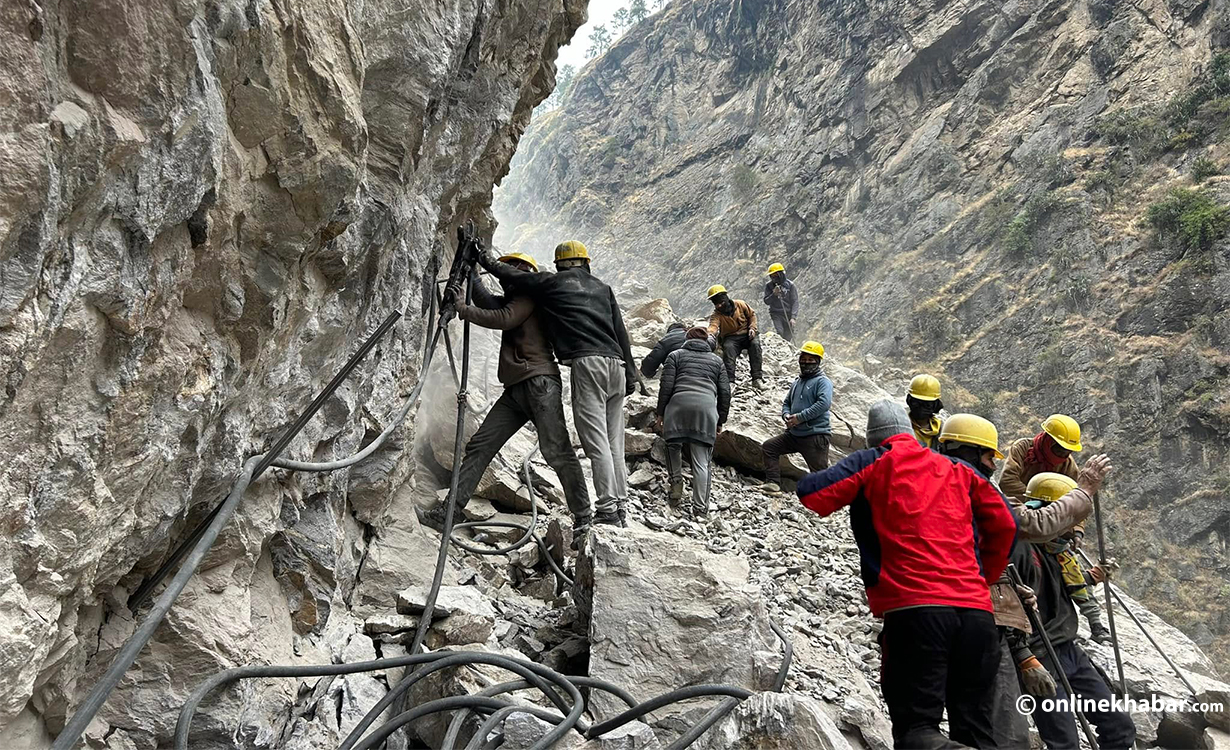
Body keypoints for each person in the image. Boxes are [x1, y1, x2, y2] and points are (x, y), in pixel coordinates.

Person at [796, 402, 1018, 750]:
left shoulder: (875, 460)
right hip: (977, 618)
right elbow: (1006, 523)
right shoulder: (959, 469)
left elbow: (814, 494)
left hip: (916, 613)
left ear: (875, 440)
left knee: (918, 731)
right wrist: (983, 578)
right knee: (976, 730)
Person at [937, 417, 1111, 750]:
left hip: (956, 620)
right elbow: (1029, 520)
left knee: (972, 723)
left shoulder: (941, 488)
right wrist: (1026, 656)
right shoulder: (998, 513)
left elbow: (1060, 574)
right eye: (987, 458)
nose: (991, 465)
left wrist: (1074, 533)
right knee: (1007, 733)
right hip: (992, 630)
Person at [420, 254, 594, 536]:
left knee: (556, 451)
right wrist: (472, 271)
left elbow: (503, 318)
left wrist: (463, 308)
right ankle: (450, 512)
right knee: (481, 445)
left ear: (524, 271)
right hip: (518, 390)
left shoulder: (528, 294)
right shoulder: (517, 298)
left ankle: (584, 516)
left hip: (539, 384)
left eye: (512, 268)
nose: (506, 273)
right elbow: (489, 302)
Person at [479, 240, 637, 527]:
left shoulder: (554, 283)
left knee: (596, 440)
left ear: (559, 264)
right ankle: (621, 505)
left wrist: (483, 259)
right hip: (617, 365)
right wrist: (632, 374)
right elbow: (620, 331)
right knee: (615, 441)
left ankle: (607, 509)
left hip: (588, 363)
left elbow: (515, 277)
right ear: (586, 263)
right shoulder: (603, 288)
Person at [1011, 470, 1136, 750]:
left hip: (1068, 651)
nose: (1074, 527)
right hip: (1038, 655)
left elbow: (1063, 584)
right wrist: (1025, 659)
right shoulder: (1020, 550)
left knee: (1119, 726)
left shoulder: (1058, 551)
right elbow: (1007, 608)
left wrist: (1091, 577)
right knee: (1064, 742)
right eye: (1069, 519)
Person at [1001, 414, 1108, 643]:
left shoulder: (1068, 465)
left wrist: (1076, 529)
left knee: (1070, 567)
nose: (1062, 455)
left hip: (1053, 523)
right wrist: (1040, 503)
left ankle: (1096, 624)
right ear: (1046, 439)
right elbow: (1008, 482)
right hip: (1022, 515)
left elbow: (1076, 500)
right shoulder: (1023, 449)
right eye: (1059, 449)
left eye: (1067, 451)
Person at [653, 327, 730, 518]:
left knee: (673, 446)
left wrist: (660, 413)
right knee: (702, 461)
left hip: (678, 407)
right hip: (705, 411)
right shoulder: (717, 361)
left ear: (687, 339)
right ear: (707, 343)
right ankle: (700, 509)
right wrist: (721, 420)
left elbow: (666, 387)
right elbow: (725, 393)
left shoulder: (675, 355)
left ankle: (676, 485)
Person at [761, 341, 831, 493]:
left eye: (810, 360)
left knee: (820, 474)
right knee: (769, 447)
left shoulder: (822, 382)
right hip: (794, 434)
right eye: (803, 360)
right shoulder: (797, 382)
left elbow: (824, 404)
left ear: (818, 362)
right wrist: (786, 415)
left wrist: (800, 417)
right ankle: (773, 483)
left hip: (815, 436)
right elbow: (787, 402)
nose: (806, 363)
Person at [706, 285, 765, 389]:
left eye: (721, 302)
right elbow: (713, 327)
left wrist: (752, 328)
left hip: (747, 334)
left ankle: (757, 379)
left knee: (755, 345)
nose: (719, 306)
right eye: (716, 304)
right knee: (728, 350)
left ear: (726, 297)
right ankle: (730, 381)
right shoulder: (716, 315)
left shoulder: (740, 304)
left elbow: (752, 315)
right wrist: (709, 334)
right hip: (731, 337)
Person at [762, 262, 799, 342]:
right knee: (780, 332)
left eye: (775, 275)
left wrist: (793, 317)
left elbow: (795, 301)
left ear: (781, 274)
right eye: (771, 276)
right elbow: (766, 301)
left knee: (788, 335)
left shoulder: (790, 285)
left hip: (788, 314)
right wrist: (773, 294)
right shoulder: (769, 286)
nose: (774, 278)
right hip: (776, 313)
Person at [906, 374, 944, 449]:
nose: (921, 408)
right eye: (916, 403)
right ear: (909, 401)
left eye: (927, 404)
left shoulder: (942, 430)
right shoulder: (901, 425)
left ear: (936, 405)